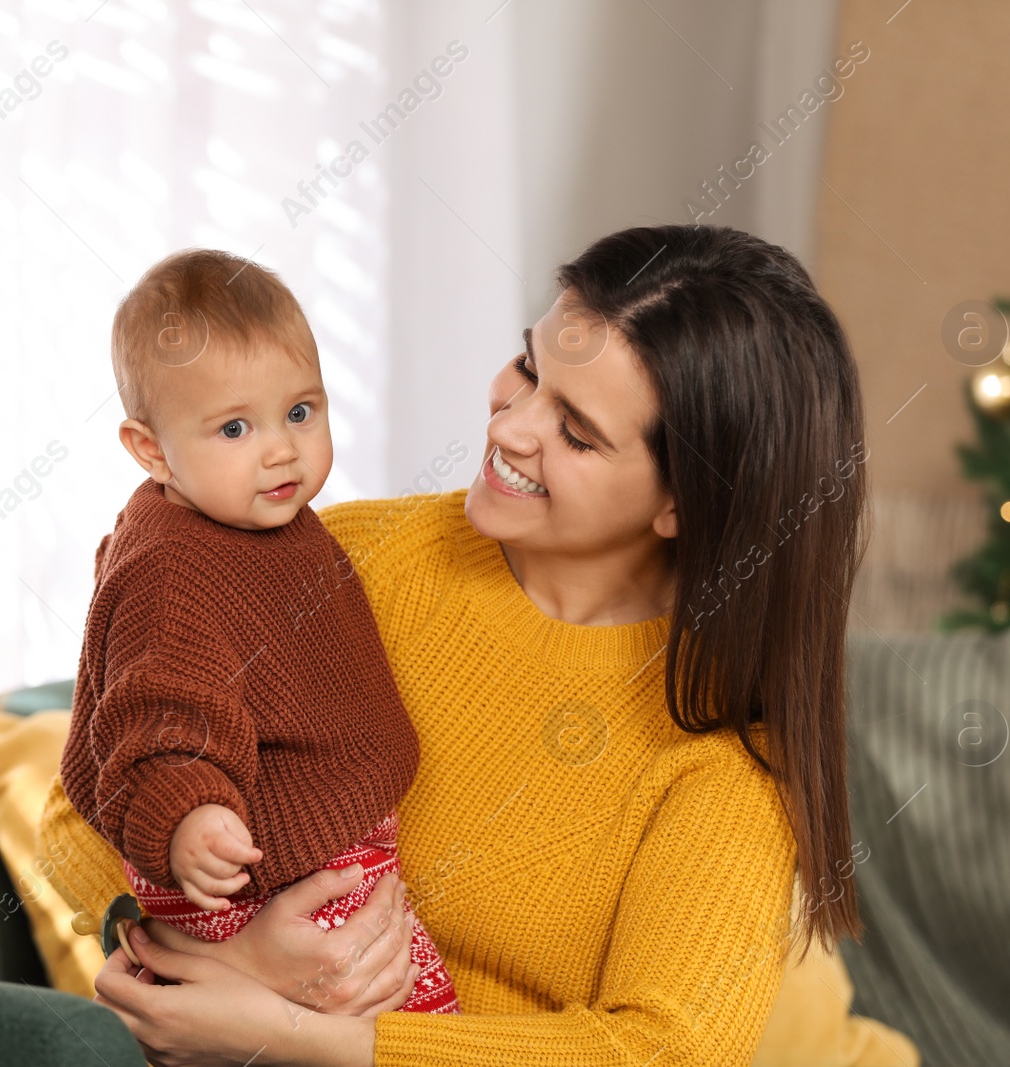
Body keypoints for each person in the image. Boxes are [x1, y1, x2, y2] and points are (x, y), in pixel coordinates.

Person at [54, 224, 868, 1066]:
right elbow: (86, 800)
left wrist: (302, 1033)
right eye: (528, 367)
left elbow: (663, 1053)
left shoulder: (721, 749)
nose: (513, 426)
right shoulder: (338, 558)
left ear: (683, 505)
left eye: (577, 432)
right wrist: (216, 959)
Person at [58, 248, 458, 1016]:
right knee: (397, 1018)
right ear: (150, 450)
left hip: (321, 853)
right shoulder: (173, 567)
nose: (282, 449)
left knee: (405, 1015)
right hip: (253, 873)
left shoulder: (268, 522)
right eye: (235, 427)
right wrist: (188, 813)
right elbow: (155, 712)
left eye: (301, 412)